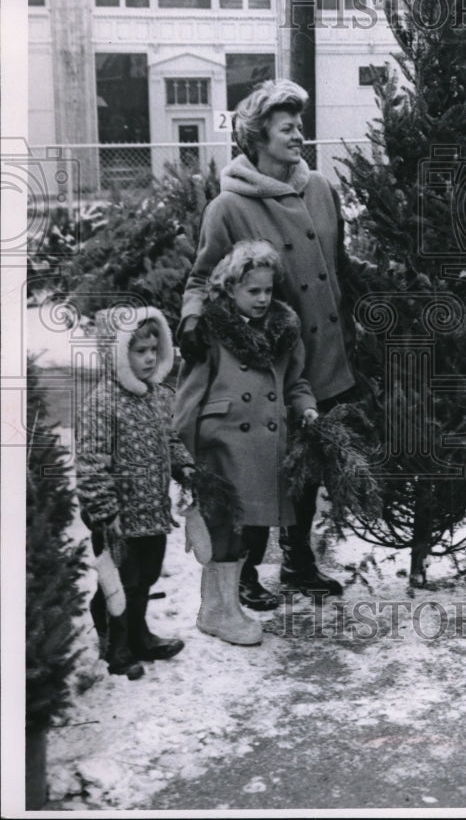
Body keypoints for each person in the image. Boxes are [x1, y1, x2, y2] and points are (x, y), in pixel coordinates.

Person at [178, 79, 358, 608]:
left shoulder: (320, 188)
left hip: (324, 354)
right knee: (257, 465)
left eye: (299, 125)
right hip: (265, 365)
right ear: (258, 137)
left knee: (308, 464)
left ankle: (299, 561)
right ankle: (248, 571)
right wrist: (192, 320)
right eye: (287, 128)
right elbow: (200, 278)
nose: (299, 135)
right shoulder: (228, 205)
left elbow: (338, 264)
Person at [174, 240, 319, 645]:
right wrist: (182, 452)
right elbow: (189, 393)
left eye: (268, 290)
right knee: (224, 528)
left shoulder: (282, 330)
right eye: (252, 290)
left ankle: (222, 607)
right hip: (220, 442)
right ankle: (219, 612)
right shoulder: (211, 329)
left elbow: (296, 382)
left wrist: (306, 407)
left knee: (245, 534)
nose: (262, 299)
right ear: (230, 287)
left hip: (263, 446)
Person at [76, 306, 196, 680]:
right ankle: (116, 645)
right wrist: (104, 512)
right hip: (117, 517)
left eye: (152, 349)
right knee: (120, 581)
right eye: (138, 350)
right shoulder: (102, 402)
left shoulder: (158, 396)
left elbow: (171, 439)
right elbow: (91, 461)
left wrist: (184, 466)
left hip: (151, 512)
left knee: (145, 576)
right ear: (116, 353)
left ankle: (140, 634)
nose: (148, 358)